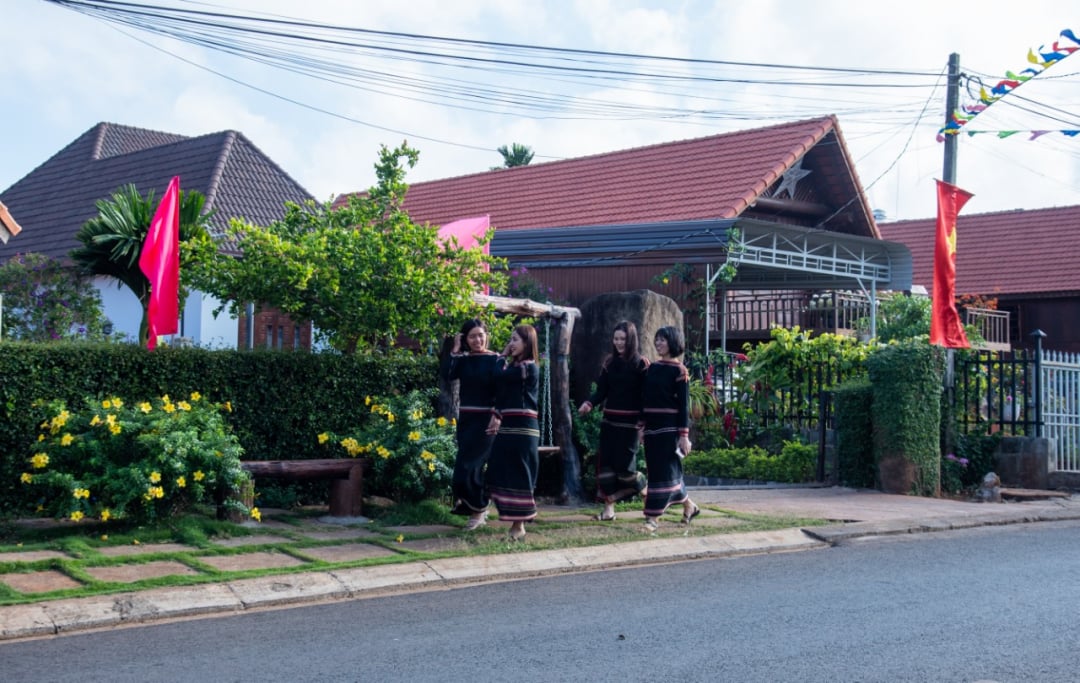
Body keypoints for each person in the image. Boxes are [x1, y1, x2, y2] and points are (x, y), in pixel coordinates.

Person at [578, 320, 649, 521]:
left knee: (626, 471)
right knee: (606, 469)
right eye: (616, 339)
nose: (619, 343)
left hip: (630, 426)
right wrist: (589, 404)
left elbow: (646, 397)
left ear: (631, 340)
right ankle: (609, 510)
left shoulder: (642, 364)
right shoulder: (609, 363)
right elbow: (602, 390)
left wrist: (643, 424)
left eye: (623, 339)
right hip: (609, 423)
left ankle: (644, 489)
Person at [440, 319, 499, 530]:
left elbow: (502, 391)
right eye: (472, 336)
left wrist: (497, 415)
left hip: (487, 422)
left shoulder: (496, 360)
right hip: (466, 421)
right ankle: (478, 507)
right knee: (463, 468)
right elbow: (447, 374)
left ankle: (478, 510)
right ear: (466, 339)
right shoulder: (463, 360)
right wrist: (455, 350)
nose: (477, 340)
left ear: (486, 336)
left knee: (469, 468)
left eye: (481, 335)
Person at [641, 325, 699, 531]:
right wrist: (641, 426)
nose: (658, 343)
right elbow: (645, 399)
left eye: (662, 340)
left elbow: (683, 406)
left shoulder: (680, 371)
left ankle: (652, 518)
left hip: (669, 430)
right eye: (657, 340)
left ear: (673, 342)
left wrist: (684, 436)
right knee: (660, 471)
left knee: (663, 473)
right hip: (651, 429)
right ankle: (689, 506)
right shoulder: (652, 368)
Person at [485, 324, 540, 542]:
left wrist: (501, 355)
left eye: (515, 340)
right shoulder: (517, 368)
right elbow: (506, 394)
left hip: (524, 429)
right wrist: (497, 415)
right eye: (510, 339)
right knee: (497, 467)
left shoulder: (529, 367)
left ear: (527, 343)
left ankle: (518, 527)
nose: (511, 344)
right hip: (510, 427)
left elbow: (498, 376)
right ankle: (507, 517)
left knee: (519, 474)